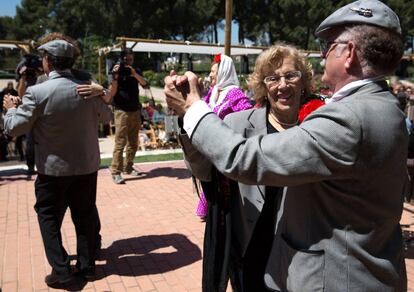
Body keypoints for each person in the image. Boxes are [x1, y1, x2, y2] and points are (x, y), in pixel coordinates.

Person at [165, 0, 407, 290]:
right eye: (272, 77)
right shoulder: (388, 106)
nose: (322, 56)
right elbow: (207, 170)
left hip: (335, 276)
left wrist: (192, 108)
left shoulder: (344, 118)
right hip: (268, 255)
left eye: (328, 46)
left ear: (350, 54)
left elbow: (243, 158)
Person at [180, 45, 313, 291]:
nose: (282, 85)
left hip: (303, 254)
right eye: (272, 78)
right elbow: (204, 170)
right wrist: (186, 120)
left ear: (303, 81)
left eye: (291, 75)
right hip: (252, 250)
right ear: (263, 86)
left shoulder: (317, 126)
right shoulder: (236, 123)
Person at [3, 40, 112, 288]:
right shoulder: (89, 89)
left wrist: (10, 110)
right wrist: (101, 91)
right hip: (86, 167)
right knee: (84, 216)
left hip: (53, 170)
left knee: (48, 216)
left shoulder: (38, 92)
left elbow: (14, 128)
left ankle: (62, 270)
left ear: (48, 62)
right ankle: (87, 268)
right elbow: (107, 117)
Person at [195, 53, 252, 221]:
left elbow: (246, 115)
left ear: (225, 72)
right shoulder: (213, 92)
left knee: (226, 192)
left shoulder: (234, 93)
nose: (211, 74)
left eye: (214, 71)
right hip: (211, 148)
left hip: (226, 147)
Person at [110, 48, 148, 184]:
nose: (129, 60)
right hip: (121, 111)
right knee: (120, 142)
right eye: (126, 58)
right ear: (122, 58)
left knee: (133, 142)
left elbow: (145, 84)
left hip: (135, 110)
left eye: (131, 58)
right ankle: (115, 172)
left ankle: (128, 166)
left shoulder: (135, 69)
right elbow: (112, 91)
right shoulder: (116, 70)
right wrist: (115, 76)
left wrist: (134, 73)